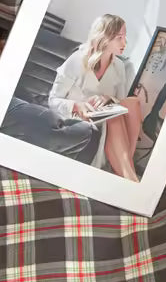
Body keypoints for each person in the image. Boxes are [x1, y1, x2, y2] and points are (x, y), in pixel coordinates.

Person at [48, 14, 145, 181]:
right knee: (114, 116)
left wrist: (109, 98)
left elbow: (121, 103)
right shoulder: (77, 60)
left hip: (105, 116)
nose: (125, 43)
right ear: (104, 38)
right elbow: (53, 100)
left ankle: (125, 168)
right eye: (119, 38)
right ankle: (129, 177)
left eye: (125, 37)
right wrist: (77, 106)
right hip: (79, 115)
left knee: (132, 103)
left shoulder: (120, 66)